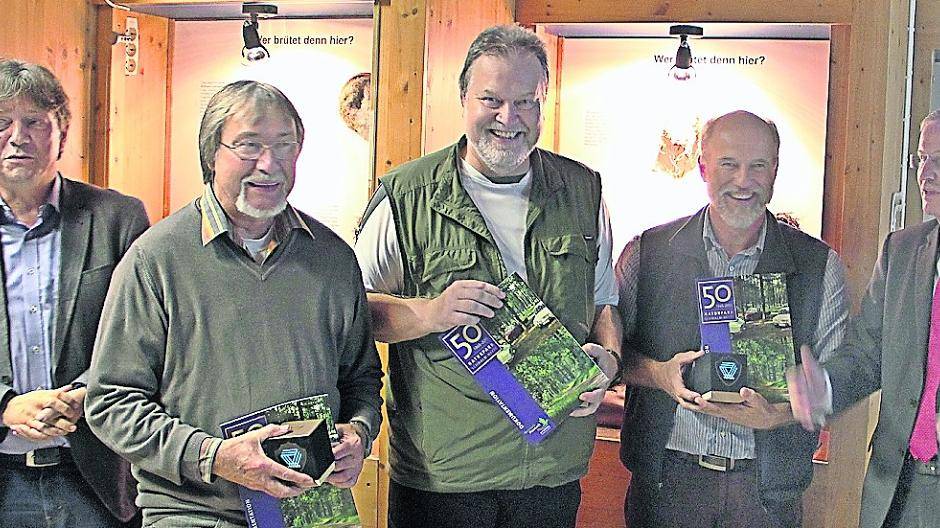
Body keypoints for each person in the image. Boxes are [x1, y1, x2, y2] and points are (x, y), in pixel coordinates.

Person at [354, 24, 622, 528]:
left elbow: (605, 303)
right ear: (463, 99)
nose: (508, 118)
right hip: (445, 478)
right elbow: (352, 317)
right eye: (491, 99)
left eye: (526, 101)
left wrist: (607, 360)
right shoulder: (405, 195)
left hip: (551, 472)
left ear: (544, 103)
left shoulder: (584, 191)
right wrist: (428, 313)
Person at [85, 80, 383, 527]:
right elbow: (111, 402)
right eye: (249, 146)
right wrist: (214, 456)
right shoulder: (156, 259)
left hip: (309, 512)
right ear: (211, 154)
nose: (270, 164)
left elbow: (360, 376)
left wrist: (358, 433)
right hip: (195, 512)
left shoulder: (333, 258)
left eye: (285, 146)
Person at [615, 110, 848, 528]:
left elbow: (839, 379)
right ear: (703, 167)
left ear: (775, 171)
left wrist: (780, 413)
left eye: (758, 165)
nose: (744, 180)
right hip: (668, 488)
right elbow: (612, 358)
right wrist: (658, 374)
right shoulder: (647, 253)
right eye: (729, 164)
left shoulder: (819, 265)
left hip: (765, 497)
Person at [0, 58, 149, 527]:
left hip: (96, 478)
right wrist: (6, 407)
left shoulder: (117, 219)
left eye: (34, 122)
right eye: (2, 122)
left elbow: (146, 334)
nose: (18, 136)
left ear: (61, 133)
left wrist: (87, 393)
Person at [789, 110, 940, 528]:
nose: (926, 174)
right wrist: (826, 387)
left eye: (939, 161)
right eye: (921, 159)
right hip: (899, 488)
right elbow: (866, 353)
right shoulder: (902, 251)